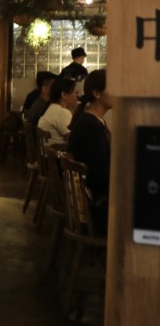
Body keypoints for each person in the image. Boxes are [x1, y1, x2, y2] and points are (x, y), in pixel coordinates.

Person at [67, 69, 111, 233]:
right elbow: (99, 178)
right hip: (96, 209)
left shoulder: (92, 120)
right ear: (97, 93)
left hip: (95, 201)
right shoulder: (90, 125)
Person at [37, 76, 77, 145]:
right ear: (64, 95)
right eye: (74, 92)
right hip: (57, 153)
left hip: (48, 153)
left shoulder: (52, 108)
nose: (76, 96)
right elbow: (73, 141)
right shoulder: (62, 112)